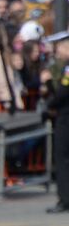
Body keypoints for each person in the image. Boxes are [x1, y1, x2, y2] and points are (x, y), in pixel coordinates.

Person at [43, 32, 69, 213]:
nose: (57, 52)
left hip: (66, 118)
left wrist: (49, 105)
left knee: (62, 159)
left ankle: (65, 198)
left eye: (60, 47)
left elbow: (63, 92)